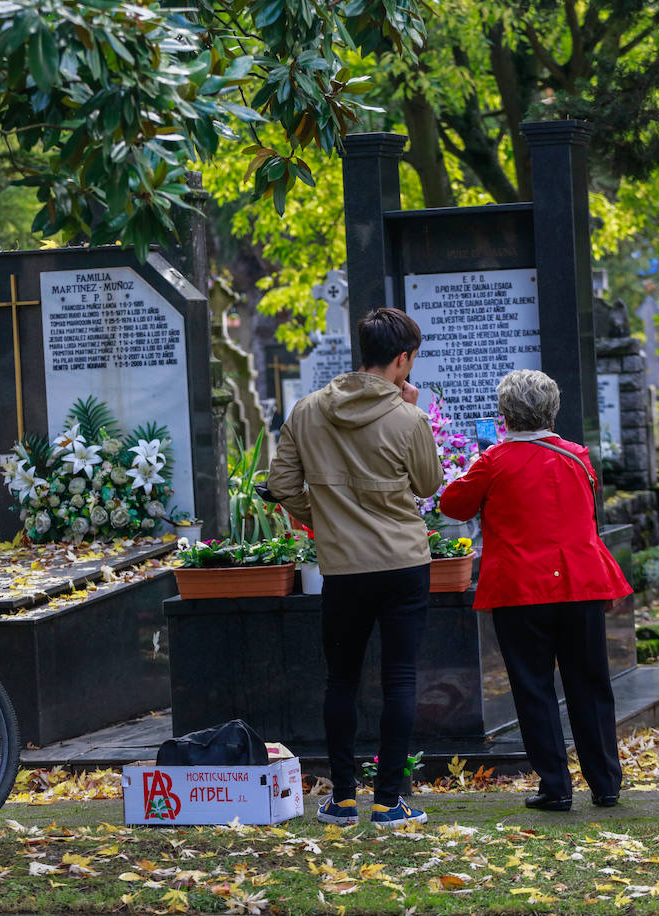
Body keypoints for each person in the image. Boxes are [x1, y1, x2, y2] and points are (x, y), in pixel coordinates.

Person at [267, 307, 442, 829]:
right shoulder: (407, 417)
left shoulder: (307, 410)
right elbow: (429, 485)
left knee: (340, 681)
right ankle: (390, 802)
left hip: (343, 567)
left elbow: (280, 485)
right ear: (403, 359)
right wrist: (416, 414)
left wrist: (320, 518)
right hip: (403, 563)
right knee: (400, 680)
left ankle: (342, 799)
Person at [439, 369, 631, 812]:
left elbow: (453, 505)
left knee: (534, 687)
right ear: (553, 410)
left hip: (521, 588)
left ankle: (555, 787)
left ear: (505, 415)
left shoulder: (493, 462)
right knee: (591, 684)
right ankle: (605, 783)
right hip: (580, 584)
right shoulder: (578, 457)